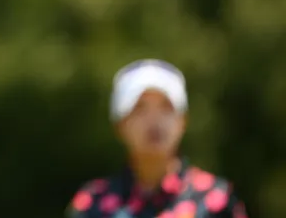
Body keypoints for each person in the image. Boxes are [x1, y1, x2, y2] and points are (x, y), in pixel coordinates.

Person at [66, 59, 248, 218]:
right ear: (120, 125)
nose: (154, 120)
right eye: (139, 108)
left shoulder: (215, 200)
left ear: (183, 121)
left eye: (166, 107)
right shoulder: (92, 202)